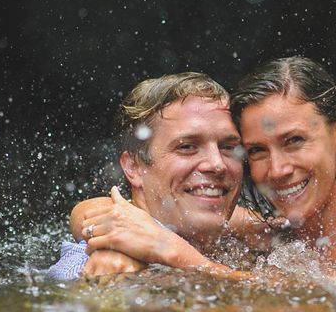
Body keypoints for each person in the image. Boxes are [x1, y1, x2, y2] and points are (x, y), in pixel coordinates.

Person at [77, 57, 336, 280]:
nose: (278, 169)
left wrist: (174, 255)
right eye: (257, 150)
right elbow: (115, 211)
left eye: (295, 140)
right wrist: (112, 245)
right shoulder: (264, 231)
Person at [47, 71, 264, 279]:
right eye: (187, 147)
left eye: (228, 147)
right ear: (133, 167)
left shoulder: (243, 233)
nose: (217, 165)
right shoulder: (108, 265)